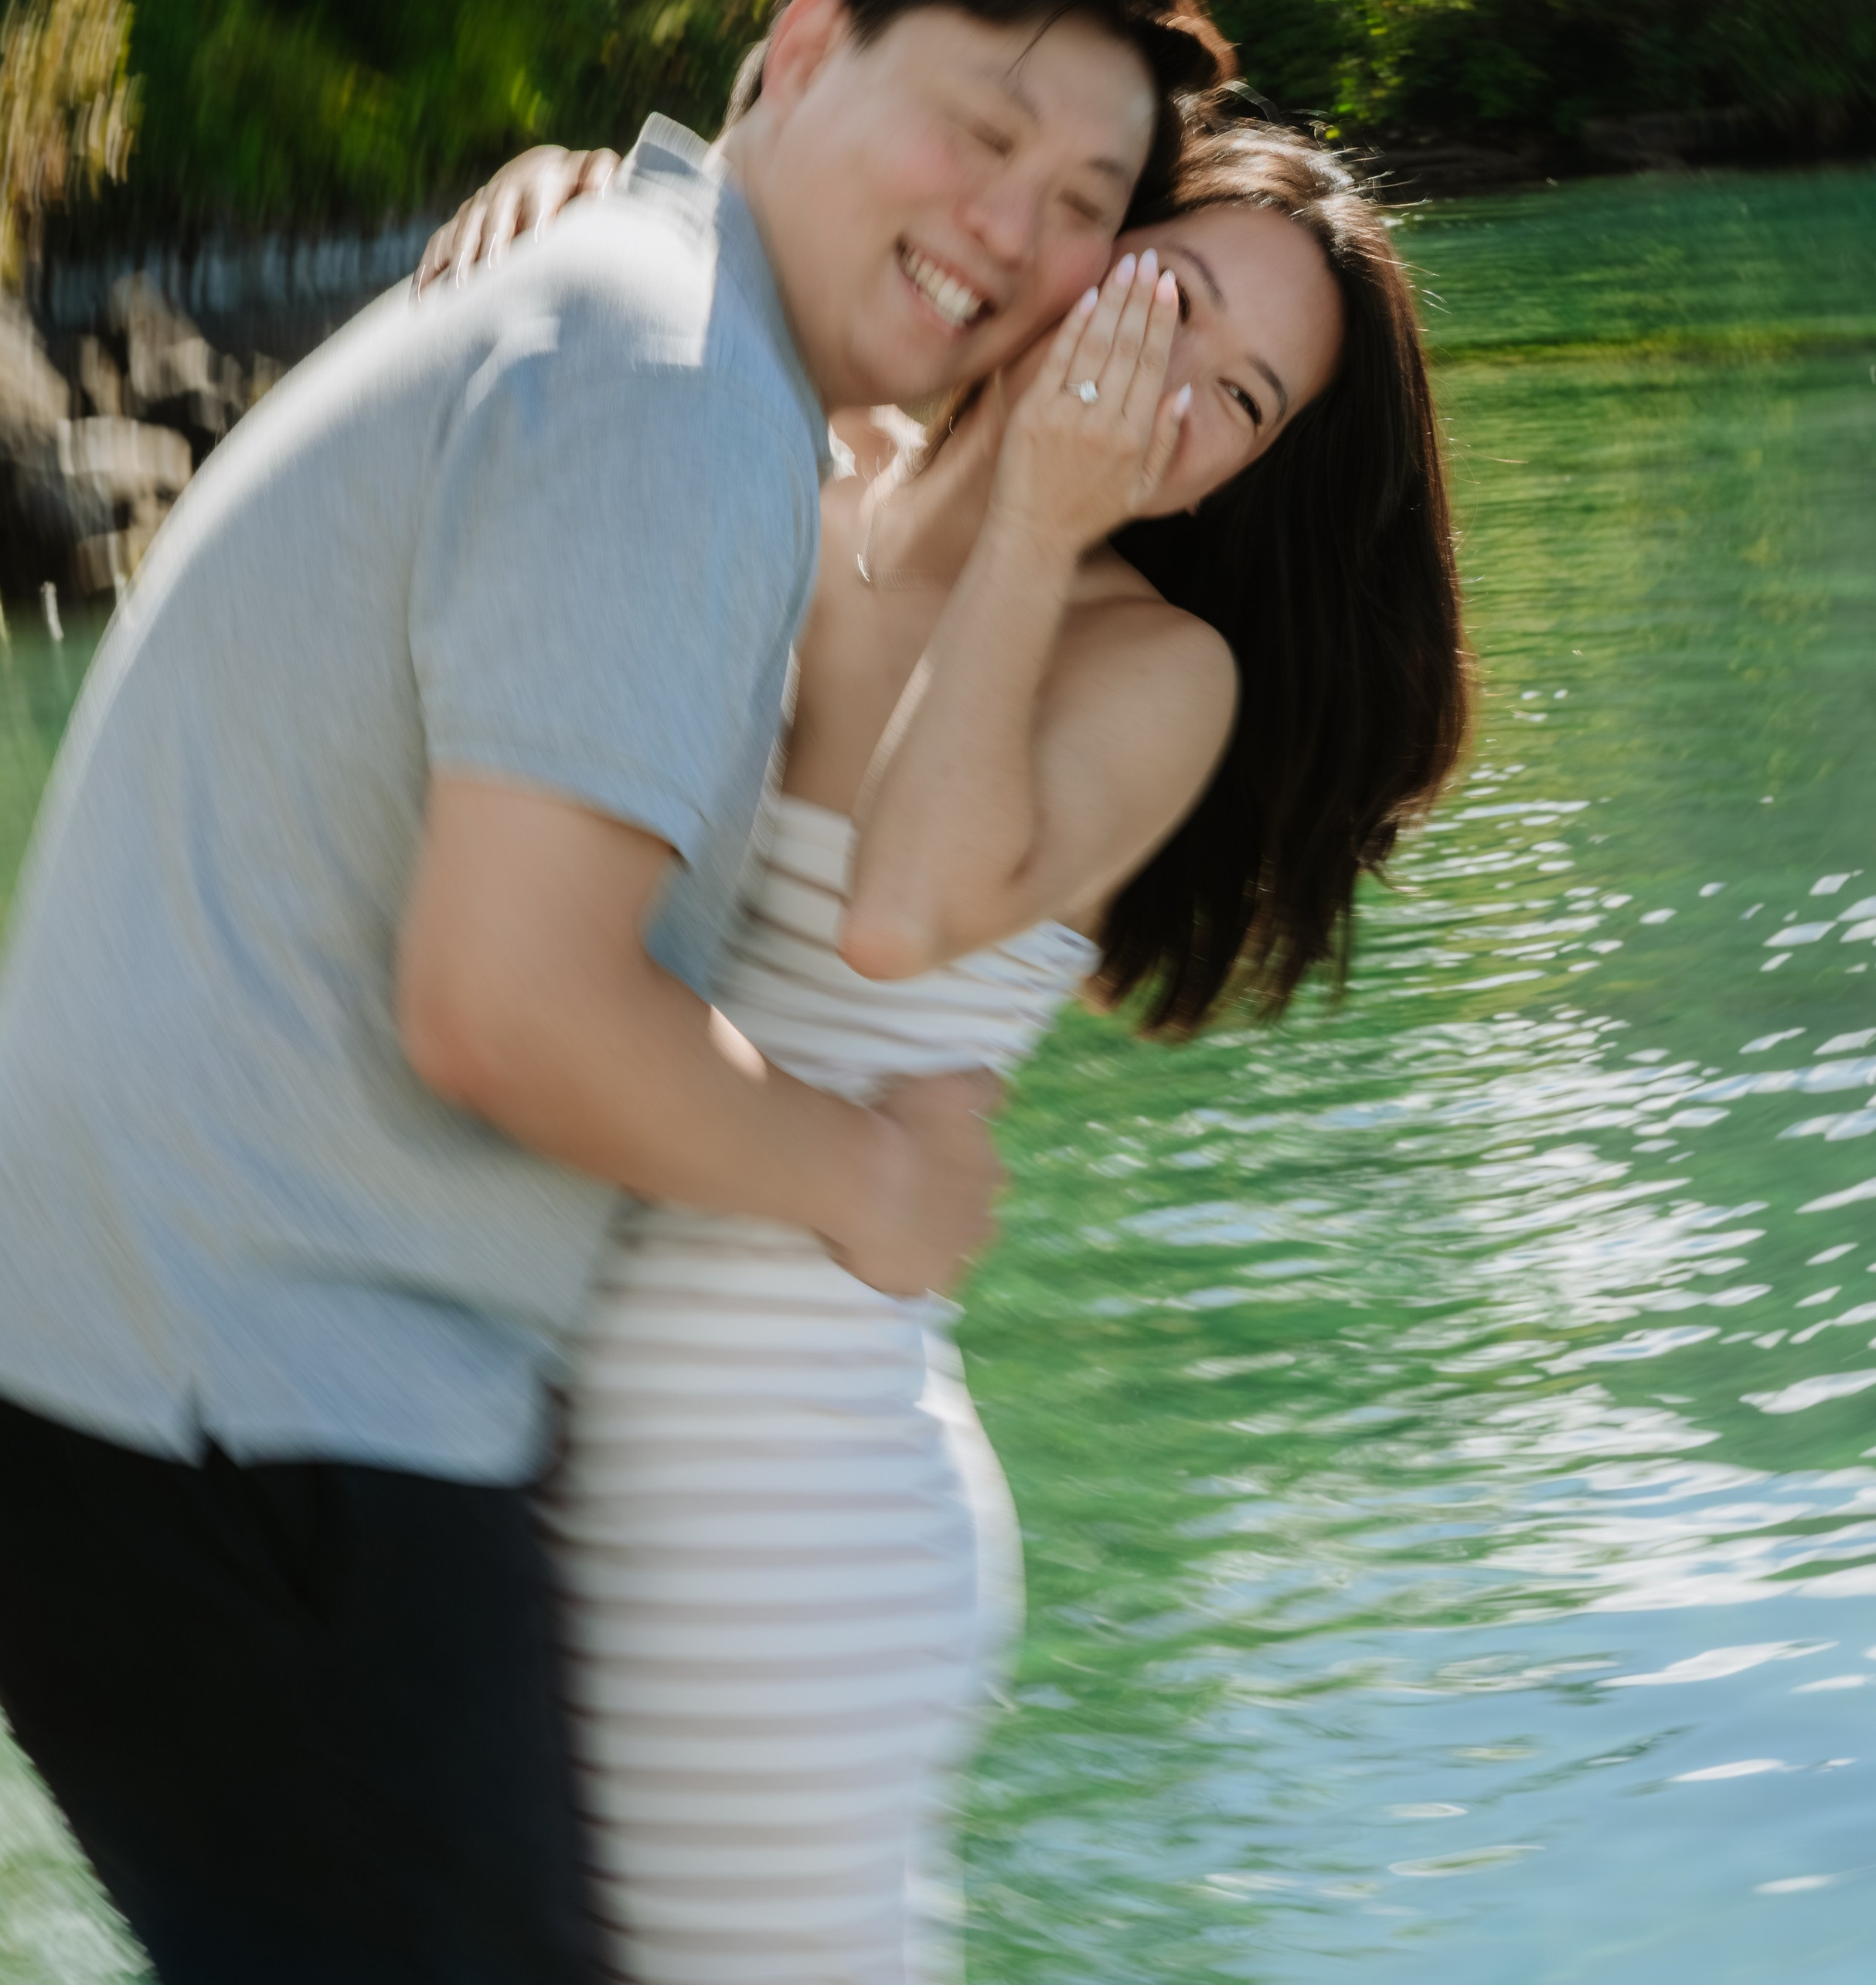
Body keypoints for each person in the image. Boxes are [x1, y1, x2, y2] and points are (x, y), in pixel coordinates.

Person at [0, 0, 1225, 1985]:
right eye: (985, 134)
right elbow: (510, 1009)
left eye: (1089, 206)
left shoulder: (650, 298)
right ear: (799, 51)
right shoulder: (665, 378)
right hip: (238, 1389)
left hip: (160, 1363)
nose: (1023, 228)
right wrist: (871, 1172)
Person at [419, 107, 1469, 1981]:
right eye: (1173, 297)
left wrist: (1043, 514)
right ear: (1083, 242)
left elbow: (895, 907)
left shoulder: (1155, 668)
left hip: (783, 1489)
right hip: (525, 1415)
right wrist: (589, 199)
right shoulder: (778, 452)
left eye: (1231, 402)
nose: (1165, 393)